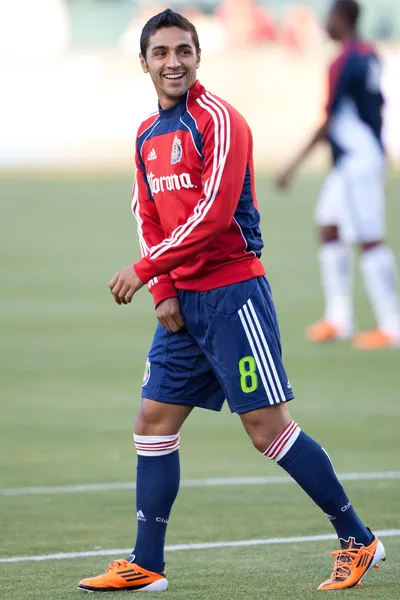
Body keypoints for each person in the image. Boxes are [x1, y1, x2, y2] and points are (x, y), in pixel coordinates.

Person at [78, 8, 385, 594]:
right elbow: (146, 215)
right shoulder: (147, 134)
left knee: (268, 429)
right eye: (161, 53)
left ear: (198, 57)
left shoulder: (221, 120)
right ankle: (147, 564)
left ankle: (359, 540)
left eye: (183, 51)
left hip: (231, 293)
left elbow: (215, 217)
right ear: (143, 61)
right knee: (153, 423)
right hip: (182, 299)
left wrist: (147, 271)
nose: (173, 62)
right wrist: (164, 287)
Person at [276, 0, 400, 350]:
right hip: (354, 160)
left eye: (329, 17)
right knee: (329, 224)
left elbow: (328, 122)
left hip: (358, 160)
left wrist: (292, 165)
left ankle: (392, 324)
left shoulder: (343, 61)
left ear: (342, 20)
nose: (325, 23)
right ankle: (339, 318)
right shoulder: (369, 54)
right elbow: (377, 106)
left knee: (369, 237)